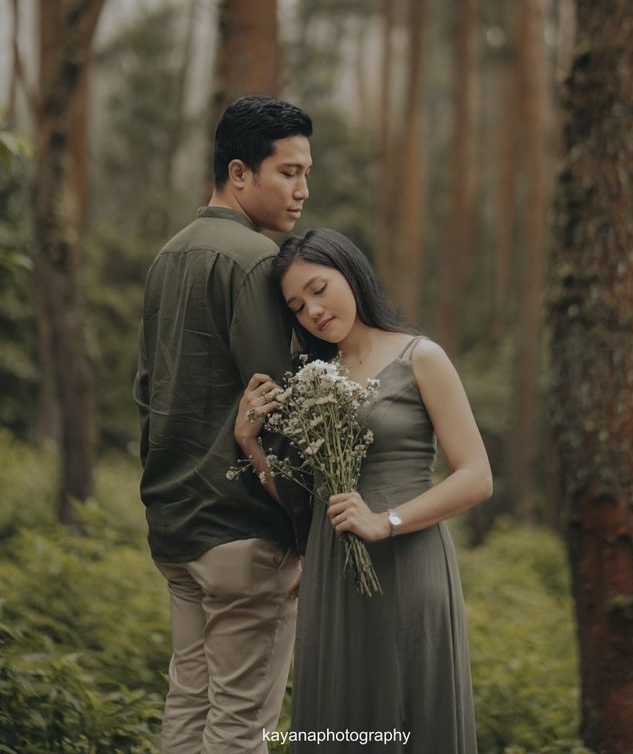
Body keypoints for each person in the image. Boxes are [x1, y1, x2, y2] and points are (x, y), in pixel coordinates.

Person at [236, 228, 492, 754]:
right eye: (297, 305)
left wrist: (387, 519)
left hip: (409, 563)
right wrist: (250, 444)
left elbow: (476, 476)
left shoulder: (420, 357)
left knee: (409, 716)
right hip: (333, 574)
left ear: (350, 272)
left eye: (319, 288)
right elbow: (302, 502)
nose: (313, 310)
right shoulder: (313, 379)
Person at [133, 95, 313, 754]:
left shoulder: (168, 256)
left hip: (175, 528)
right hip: (243, 531)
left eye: (305, 173)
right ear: (239, 172)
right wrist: (302, 527)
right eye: (288, 172)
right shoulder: (256, 261)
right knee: (241, 727)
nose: (302, 190)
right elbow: (278, 405)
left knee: (188, 706)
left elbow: (146, 392)